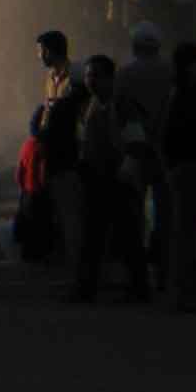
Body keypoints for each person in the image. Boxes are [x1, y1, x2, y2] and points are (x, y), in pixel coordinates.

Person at [69, 55, 151, 303]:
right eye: (88, 76)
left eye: (96, 76)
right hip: (96, 178)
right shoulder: (91, 106)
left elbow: (136, 143)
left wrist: (125, 173)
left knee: (127, 236)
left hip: (117, 179)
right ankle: (86, 288)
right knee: (93, 236)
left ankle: (138, 287)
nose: (90, 81)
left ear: (109, 78)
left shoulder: (122, 105)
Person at [116, 21, 175, 285]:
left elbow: (121, 112)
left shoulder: (126, 74)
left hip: (137, 149)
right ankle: (164, 267)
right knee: (165, 212)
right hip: (165, 148)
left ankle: (137, 271)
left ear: (135, 46)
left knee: (135, 211)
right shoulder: (170, 71)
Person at [162, 40, 196, 313]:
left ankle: (182, 291)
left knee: (185, 232)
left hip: (182, 167)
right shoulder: (188, 96)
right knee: (188, 233)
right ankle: (186, 293)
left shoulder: (179, 93)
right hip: (190, 167)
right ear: (191, 66)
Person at [31, 29, 87, 275]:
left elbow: (79, 115)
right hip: (53, 152)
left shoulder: (75, 76)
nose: (38, 56)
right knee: (60, 209)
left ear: (50, 51)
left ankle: (78, 266)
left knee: (72, 211)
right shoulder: (50, 77)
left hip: (71, 152)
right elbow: (49, 111)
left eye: (40, 51)